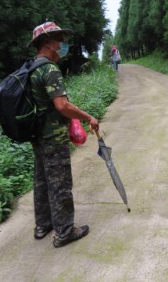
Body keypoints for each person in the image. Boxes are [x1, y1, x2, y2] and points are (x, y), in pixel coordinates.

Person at [28, 21, 99, 247]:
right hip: (53, 137)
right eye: (59, 39)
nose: (62, 44)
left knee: (41, 181)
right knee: (59, 184)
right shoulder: (49, 69)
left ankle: (43, 225)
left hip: (37, 135)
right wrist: (88, 117)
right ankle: (65, 231)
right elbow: (62, 105)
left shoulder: (31, 68)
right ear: (47, 42)